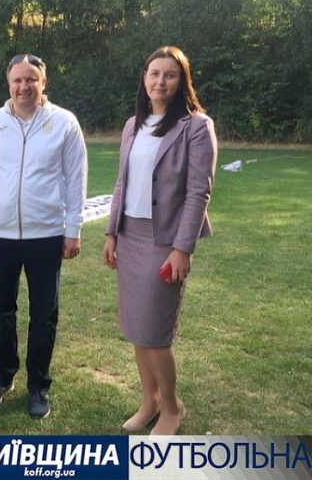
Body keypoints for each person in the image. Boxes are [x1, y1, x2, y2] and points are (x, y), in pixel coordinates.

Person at [102, 46, 217, 435]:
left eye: (170, 75)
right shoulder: (133, 125)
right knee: (137, 329)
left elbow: (198, 192)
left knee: (155, 334)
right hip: (129, 237)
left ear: (182, 81)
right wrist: (111, 233)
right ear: (144, 78)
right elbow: (122, 183)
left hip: (165, 241)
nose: (160, 81)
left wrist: (182, 248)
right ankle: (149, 400)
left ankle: (171, 407)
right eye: (154, 73)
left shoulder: (196, 126)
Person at [0, 54, 87, 419]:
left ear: (44, 82)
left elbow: (76, 179)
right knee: (1, 311)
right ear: (8, 83)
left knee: (44, 314)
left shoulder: (64, 122)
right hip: (0, 234)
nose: (24, 86)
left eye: (31, 79)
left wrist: (73, 229)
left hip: (46, 234)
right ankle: (2, 375)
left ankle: (38, 383)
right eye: (18, 80)